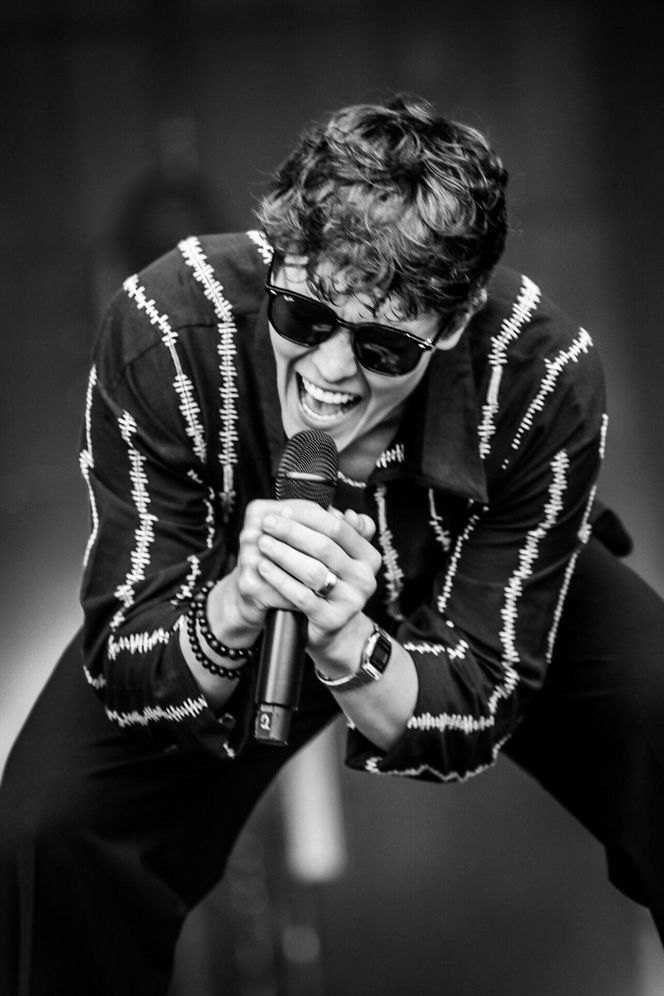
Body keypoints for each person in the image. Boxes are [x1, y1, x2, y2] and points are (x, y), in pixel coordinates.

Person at [1, 93, 662, 995]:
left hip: (464, 561)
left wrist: (350, 642)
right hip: (229, 576)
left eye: (385, 349)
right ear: (276, 258)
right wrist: (237, 604)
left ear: (453, 324)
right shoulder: (166, 327)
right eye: (305, 319)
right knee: (48, 834)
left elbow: (469, 714)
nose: (329, 371)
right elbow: (130, 661)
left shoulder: (540, 375)